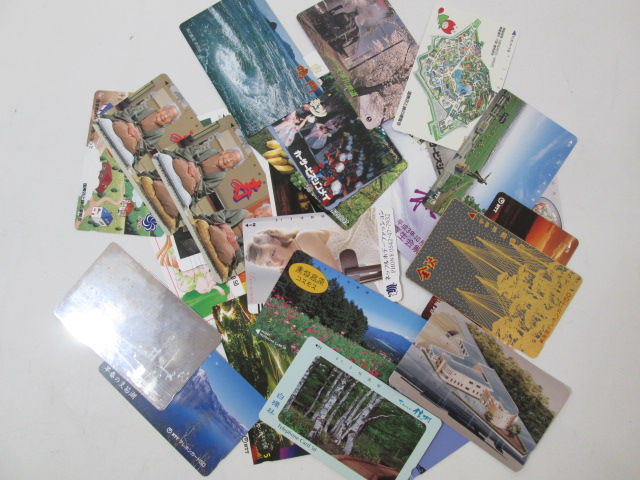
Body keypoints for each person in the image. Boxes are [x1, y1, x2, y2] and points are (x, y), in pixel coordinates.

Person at [165, 144, 245, 205]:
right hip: (185, 165)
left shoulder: (220, 176)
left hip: (190, 184)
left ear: (232, 167)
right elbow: (189, 150)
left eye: (232, 162)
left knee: (186, 194)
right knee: (177, 163)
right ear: (225, 152)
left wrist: (197, 178)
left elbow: (205, 190)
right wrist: (191, 163)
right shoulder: (210, 151)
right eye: (230, 156)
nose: (228, 160)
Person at [103, 103, 181, 158]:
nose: (166, 116)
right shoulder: (148, 110)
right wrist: (130, 126)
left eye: (170, 118)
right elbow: (127, 112)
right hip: (126, 125)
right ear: (162, 109)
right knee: (120, 125)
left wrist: (138, 137)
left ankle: (120, 136)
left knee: (132, 144)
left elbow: (147, 147)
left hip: (134, 141)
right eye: (167, 112)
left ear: (170, 122)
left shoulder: (160, 132)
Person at [246, 228, 340, 271]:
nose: (275, 261)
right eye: (267, 263)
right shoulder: (296, 267)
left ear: (277, 241)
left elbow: (337, 275)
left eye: (273, 253)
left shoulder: (303, 239)